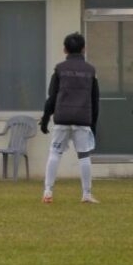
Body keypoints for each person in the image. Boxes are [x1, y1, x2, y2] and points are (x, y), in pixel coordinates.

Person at [40, 32, 100, 204]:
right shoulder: (90, 71)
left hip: (62, 119)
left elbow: (52, 98)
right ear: (83, 49)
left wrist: (45, 119)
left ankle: (48, 192)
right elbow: (95, 100)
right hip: (82, 120)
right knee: (84, 156)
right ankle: (86, 194)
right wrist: (93, 125)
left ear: (65, 49)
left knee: (55, 153)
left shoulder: (59, 69)